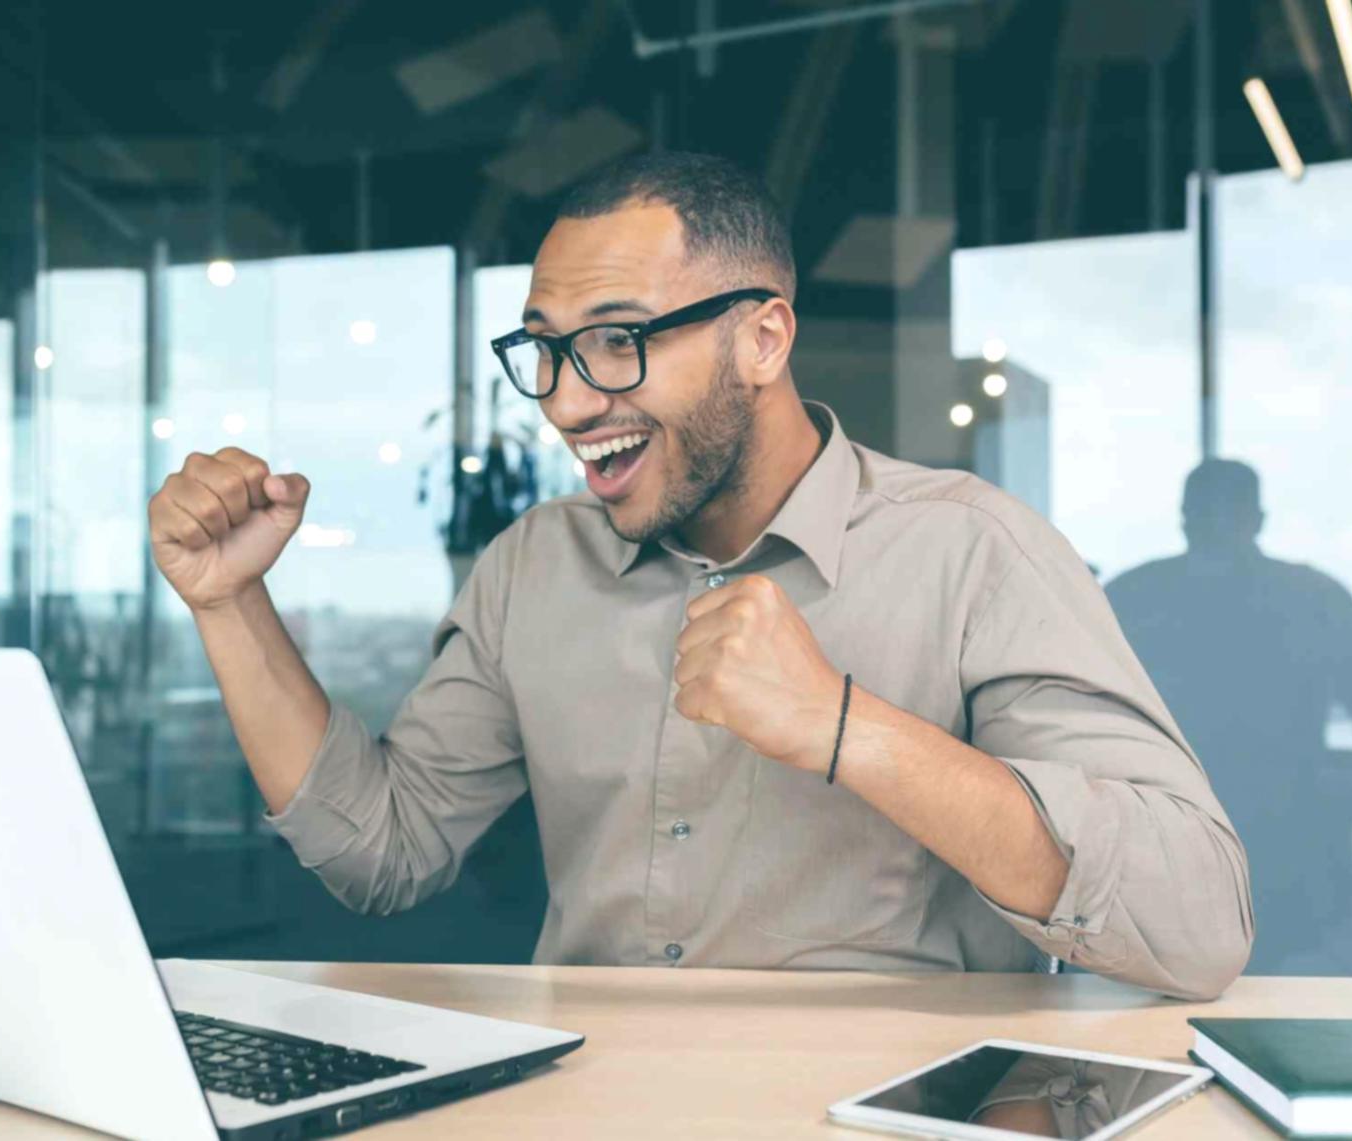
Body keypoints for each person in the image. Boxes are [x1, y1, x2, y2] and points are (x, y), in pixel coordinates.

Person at [148, 152, 1251, 1000]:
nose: (568, 400)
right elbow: (381, 849)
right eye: (546, 348)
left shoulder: (974, 552)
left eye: (618, 339)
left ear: (762, 339)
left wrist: (845, 727)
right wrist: (228, 602)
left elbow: (1197, 924)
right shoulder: (533, 566)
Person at [1105, 459, 1352, 971]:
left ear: (1184, 517)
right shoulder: (1315, 598)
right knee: (1280, 982)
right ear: (1257, 518)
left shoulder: (1131, 596)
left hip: (1159, 838)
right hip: (1285, 846)